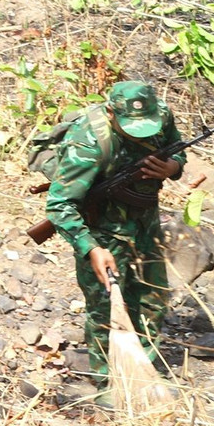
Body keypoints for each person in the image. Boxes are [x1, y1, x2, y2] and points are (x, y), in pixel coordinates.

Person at [44, 81, 183, 407]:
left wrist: (171, 168)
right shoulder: (90, 142)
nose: (141, 133)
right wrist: (90, 248)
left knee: (153, 299)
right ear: (111, 113)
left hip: (146, 225)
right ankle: (108, 382)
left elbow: (179, 150)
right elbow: (60, 204)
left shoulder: (160, 117)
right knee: (104, 309)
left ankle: (142, 369)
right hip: (100, 231)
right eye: (131, 128)